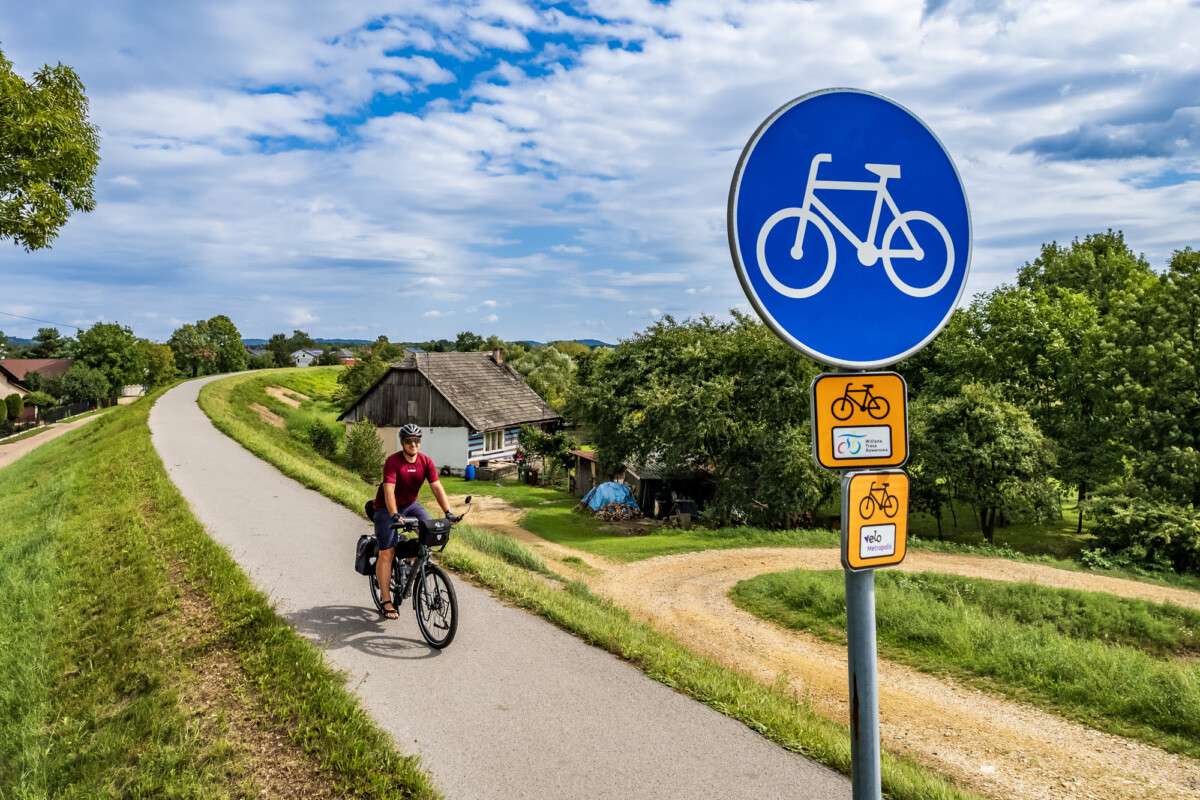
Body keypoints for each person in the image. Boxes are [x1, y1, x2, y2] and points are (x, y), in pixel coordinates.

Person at [373, 423, 454, 619]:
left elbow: (436, 487)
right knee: (387, 552)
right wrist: (394, 514)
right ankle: (386, 600)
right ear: (403, 443)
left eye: (417, 441)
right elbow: (389, 490)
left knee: (430, 533)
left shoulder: (425, 462)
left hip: (411, 505)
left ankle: (410, 563)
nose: (413, 444)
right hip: (386, 508)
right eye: (409, 441)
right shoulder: (393, 462)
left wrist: (448, 512)